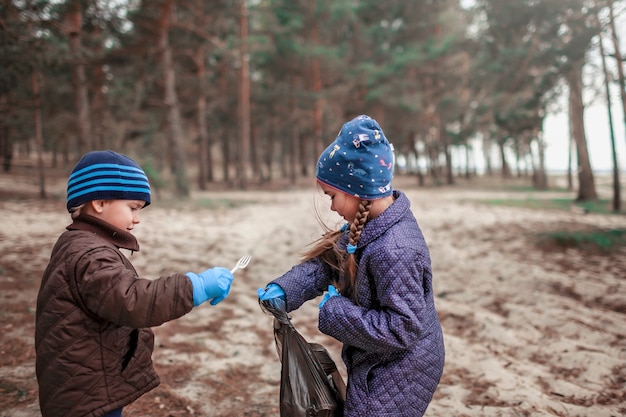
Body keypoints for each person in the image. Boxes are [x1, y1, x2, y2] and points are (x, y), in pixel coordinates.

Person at [258, 115, 445, 417]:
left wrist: (336, 311)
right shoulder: (370, 227)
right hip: (378, 359)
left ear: (357, 190)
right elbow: (327, 265)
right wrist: (285, 288)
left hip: (402, 370)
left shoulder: (396, 249)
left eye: (331, 195)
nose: (331, 206)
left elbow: (401, 329)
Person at [35, 150, 234, 417]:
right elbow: (132, 300)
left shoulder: (81, 243)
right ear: (100, 202)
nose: (137, 219)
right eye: (132, 208)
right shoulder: (89, 254)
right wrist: (193, 287)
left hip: (86, 378)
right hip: (86, 392)